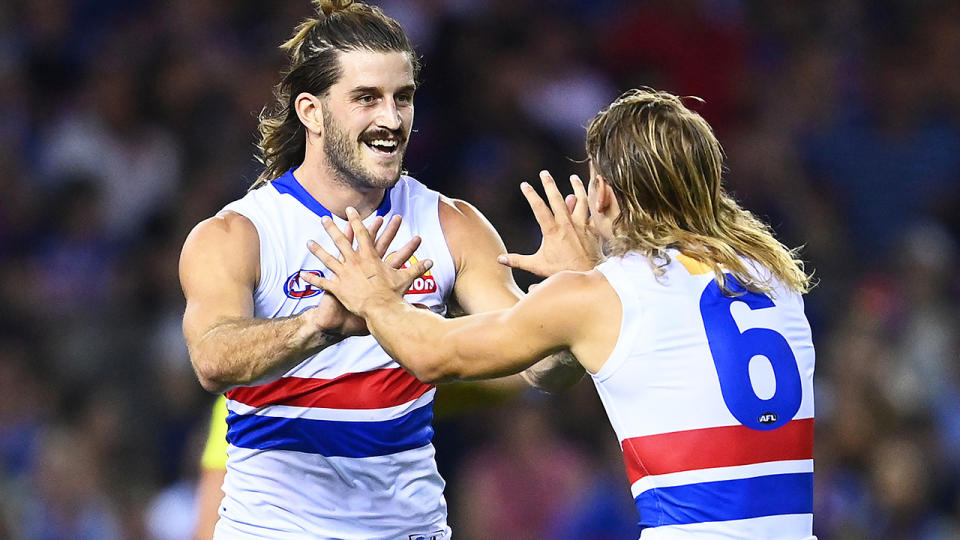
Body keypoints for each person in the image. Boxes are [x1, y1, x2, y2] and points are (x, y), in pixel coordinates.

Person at [303, 88, 818, 539]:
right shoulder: (772, 275)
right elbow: (561, 368)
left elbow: (436, 356)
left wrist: (373, 296)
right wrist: (580, 284)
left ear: (603, 193)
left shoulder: (602, 296)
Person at [178, 1, 581, 538]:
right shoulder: (237, 234)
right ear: (311, 112)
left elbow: (538, 371)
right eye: (367, 98)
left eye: (403, 97)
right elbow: (211, 359)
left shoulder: (452, 225)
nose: (391, 119)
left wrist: (573, 303)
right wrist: (316, 327)